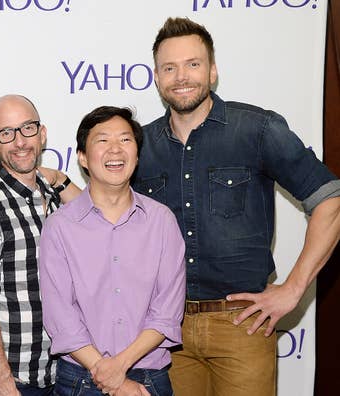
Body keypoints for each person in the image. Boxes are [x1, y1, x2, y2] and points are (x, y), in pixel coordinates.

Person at [132, 17, 340, 395]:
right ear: (157, 77)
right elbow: (107, 215)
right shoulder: (141, 146)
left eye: (193, 64)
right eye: (169, 67)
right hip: (166, 333)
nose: (181, 76)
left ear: (212, 72)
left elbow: (330, 199)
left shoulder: (257, 129)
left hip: (242, 325)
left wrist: (293, 289)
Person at [40, 106, 186, 396]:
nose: (115, 150)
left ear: (137, 154)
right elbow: (61, 317)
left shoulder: (161, 220)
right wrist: (109, 373)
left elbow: (167, 311)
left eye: (125, 140)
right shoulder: (59, 226)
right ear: (82, 157)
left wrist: (119, 367)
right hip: (80, 379)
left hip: (148, 377)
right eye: (102, 140)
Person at [0, 94, 79, 396]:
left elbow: (105, 225)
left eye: (27, 128)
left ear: (42, 133)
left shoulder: (54, 198)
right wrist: (4, 384)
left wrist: (62, 181)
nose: (20, 141)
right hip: (18, 382)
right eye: (6, 133)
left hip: (65, 372)